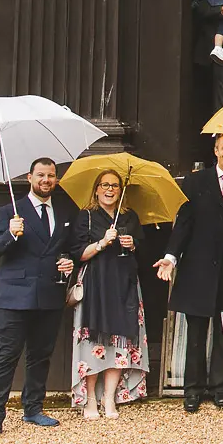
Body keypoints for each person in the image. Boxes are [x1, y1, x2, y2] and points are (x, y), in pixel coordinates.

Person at [156, 134, 223, 413]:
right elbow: (184, 225)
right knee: (196, 333)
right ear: (215, 151)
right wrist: (170, 257)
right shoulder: (195, 182)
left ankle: (220, 388)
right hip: (198, 269)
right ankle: (192, 390)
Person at [0, 158, 77, 440]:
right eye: (41, 175)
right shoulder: (10, 211)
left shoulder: (63, 210)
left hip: (49, 295)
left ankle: (33, 408)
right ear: (29, 177)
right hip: (13, 297)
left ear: (56, 179)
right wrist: (10, 233)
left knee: (40, 356)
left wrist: (67, 262)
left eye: (51, 175)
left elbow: (67, 249)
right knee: (5, 358)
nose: (46, 180)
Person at [69, 170, 148, 420]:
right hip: (96, 283)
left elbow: (143, 250)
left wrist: (132, 244)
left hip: (123, 284)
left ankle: (109, 397)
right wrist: (102, 243)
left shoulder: (129, 216)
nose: (110, 189)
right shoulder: (87, 216)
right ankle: (90, 398)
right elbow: (78, 254)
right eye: (105, 185)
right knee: (94, 343)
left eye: (114, 185)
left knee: (119, 342)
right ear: (96, 189)